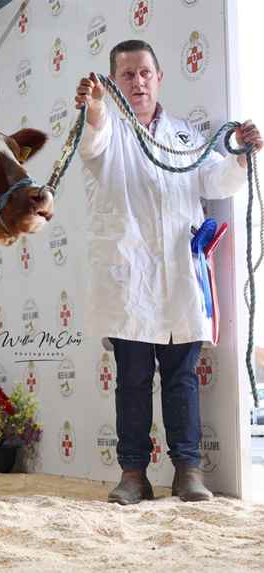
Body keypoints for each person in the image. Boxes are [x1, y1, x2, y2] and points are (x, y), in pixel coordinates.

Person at [74, 39, 263, 505]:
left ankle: (188, 470)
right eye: (126, 75)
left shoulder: (184, 136)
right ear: (114, 85)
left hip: (180, 276)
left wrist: (240, 155)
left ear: (159, 78)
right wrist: (94, 109)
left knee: (181, 378)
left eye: (144, 73)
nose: (137, 82)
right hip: (129, 279)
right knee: (133, 380)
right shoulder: (109, 132)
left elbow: (215, 180)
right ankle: (133, 474)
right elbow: (92, 140)